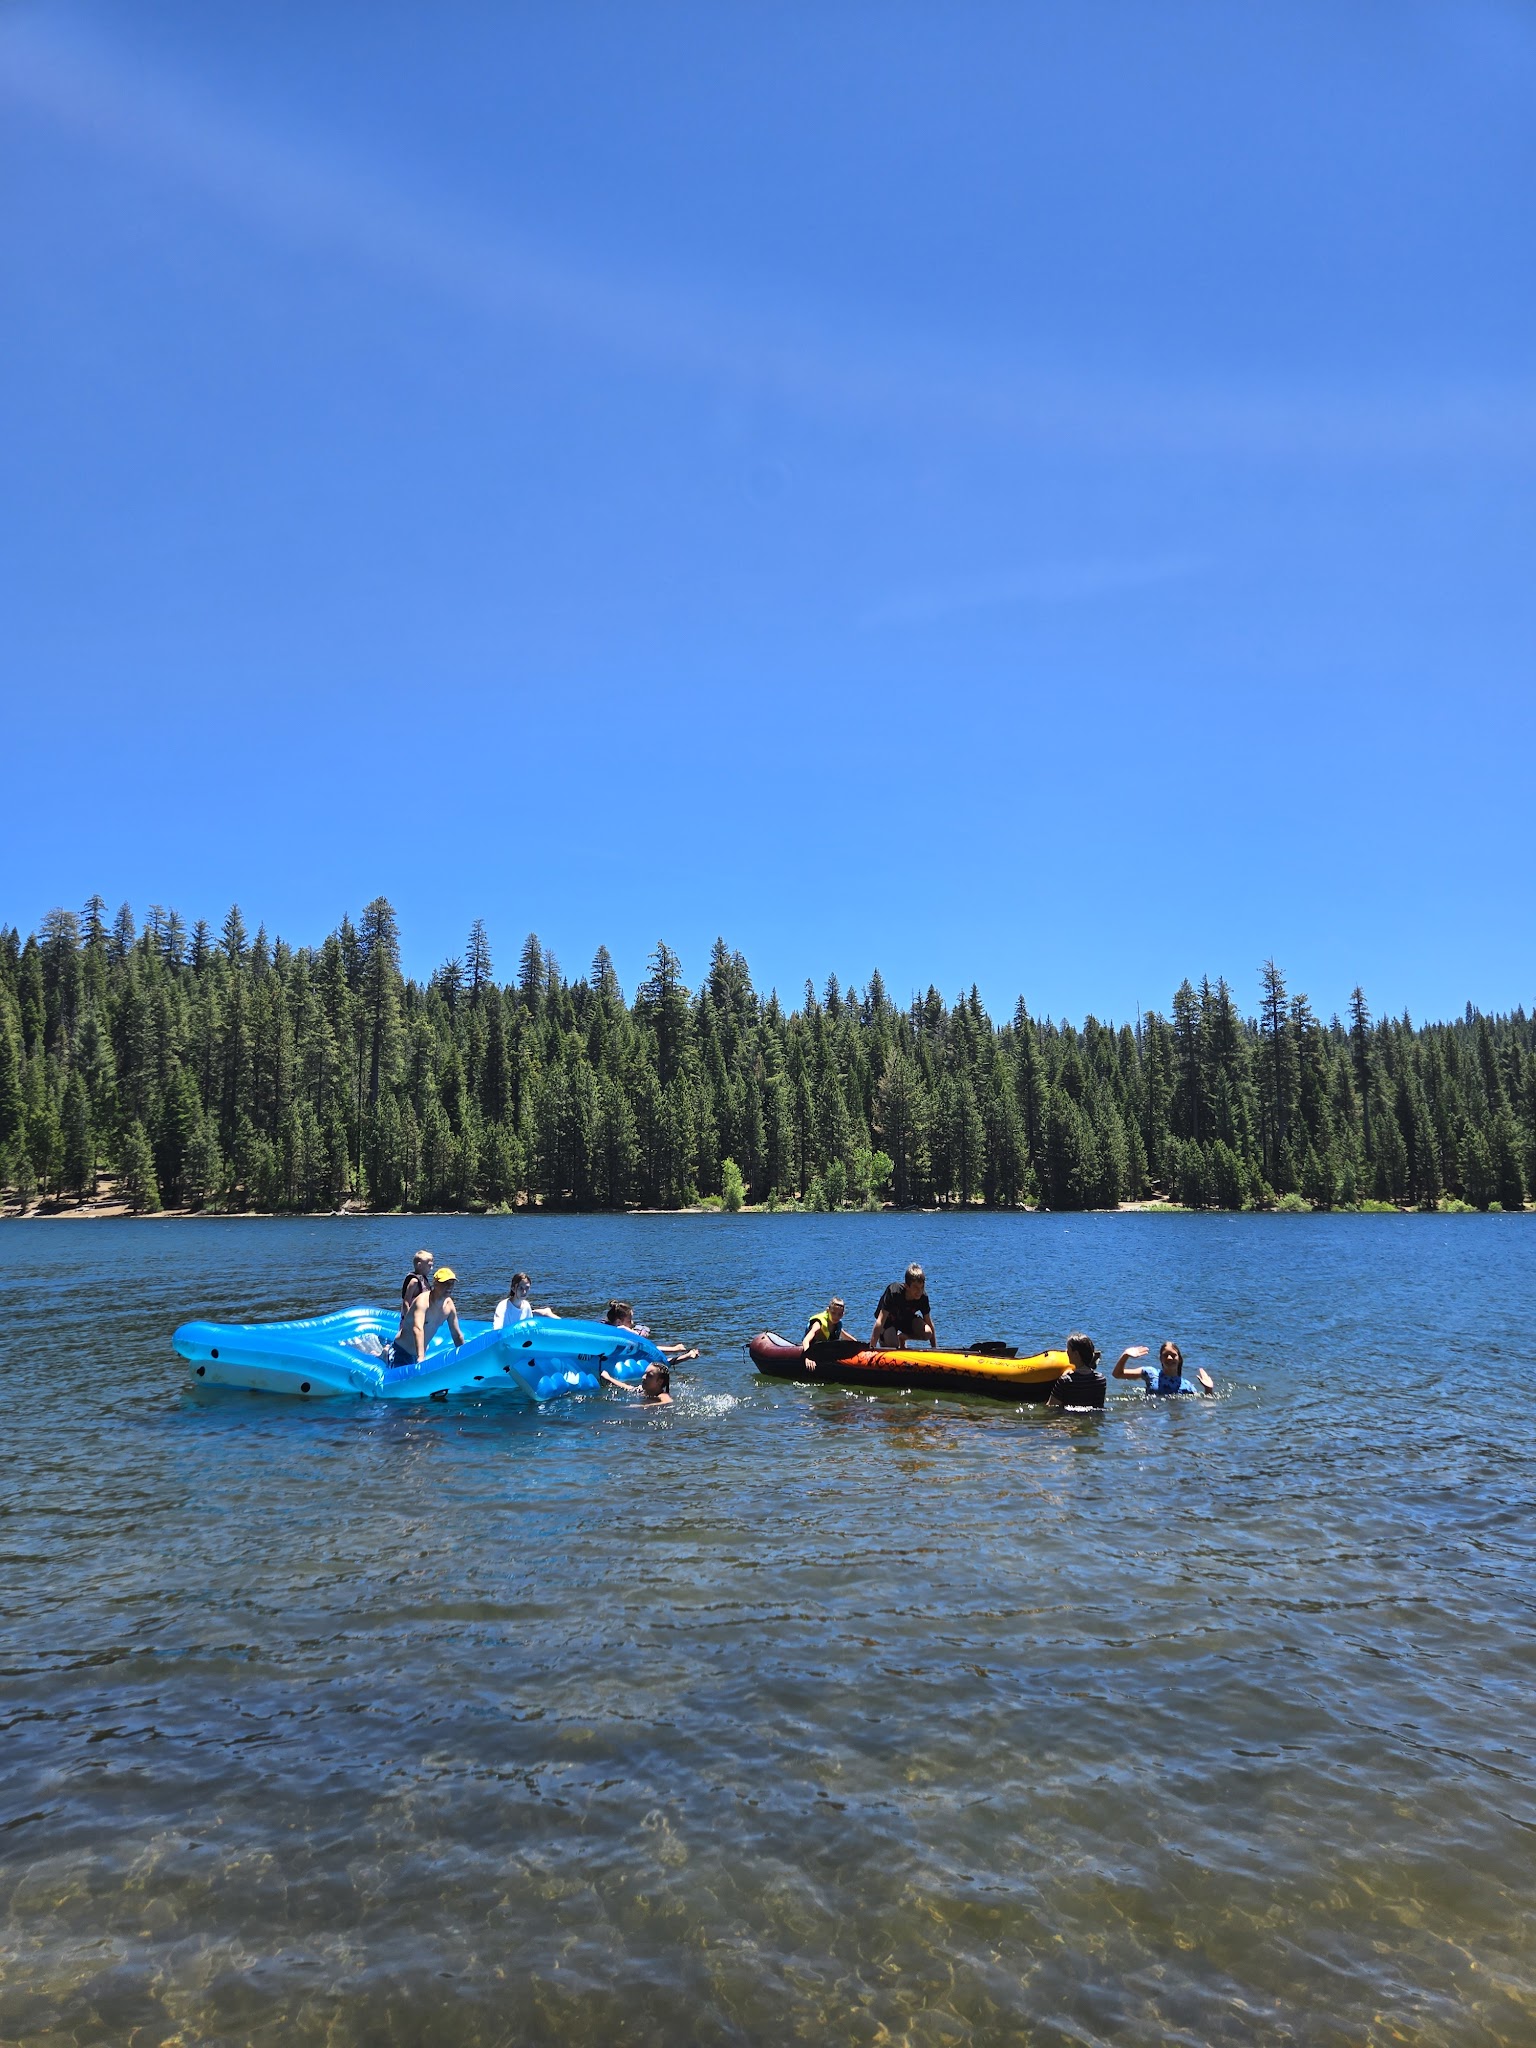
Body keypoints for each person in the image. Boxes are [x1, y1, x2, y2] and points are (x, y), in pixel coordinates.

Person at [392, 1266, 467, 1366]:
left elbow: (456, 1335)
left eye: (451, 1283)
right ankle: (386, 1354)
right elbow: (417, 1328)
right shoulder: (423, 1301)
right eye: (445, 1283)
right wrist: (421, 1358)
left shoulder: (449, 1305)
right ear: (435, 1283)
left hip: (420, 1352)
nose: (449, 1287)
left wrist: (465, 1355)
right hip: (402, 1351)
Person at [603, 1299, 700, 1364]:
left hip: (630, 1354)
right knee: (658, 1361)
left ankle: (683, 1353)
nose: (632, 1323)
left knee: (655, 1357)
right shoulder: (620, 1330)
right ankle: (684, 1354)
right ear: (619, 1322)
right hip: (620, 1357)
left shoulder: (616, 1331)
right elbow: (640, 1339)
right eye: (629, 1321)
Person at [1113, 1339, 1214, 1396]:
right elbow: (1117, 1374)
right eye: (1165, 1355)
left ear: (1180, 1359)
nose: (1169, 1358)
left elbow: (1204, 1406)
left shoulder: (1187, 1386)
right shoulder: (1150, 1373)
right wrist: (1125, 1355)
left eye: (1173, 1355)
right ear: (1160, 1359)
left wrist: (1208, 1389)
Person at [871, 1265, 937, 1351]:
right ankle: (884, 1337)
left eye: (922, 1287)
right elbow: (880, 1320)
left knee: (928, 1333)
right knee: (893, 1344)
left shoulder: (923, 1297)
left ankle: (903, 1337)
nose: (919, 1291)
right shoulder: (894, 1292)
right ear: (906, 1286)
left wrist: (934, 1349)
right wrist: (871, 1348)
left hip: (905, 1318)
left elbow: (928, 1321)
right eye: (916, 1287)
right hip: (888, 1321)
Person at [1048, 1331, 1111, 1406]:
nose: (1066, 1352)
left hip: (1071, 1417)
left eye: (1068, 1349)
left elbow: (1051, 1406)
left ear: (1076, 1354)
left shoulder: (1065, 1381)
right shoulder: (1101, 1379)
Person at [492, 1272, 559, 1329]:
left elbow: (529, 1328)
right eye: (520, 1288)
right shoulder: (503, 1306)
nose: (524, 1292)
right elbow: (497, 1330)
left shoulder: (526, 1306)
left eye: (527, 1288)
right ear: (513, 1288)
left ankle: (545, 1312)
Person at [600, 1360, 673, 1405]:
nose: (643, 1377)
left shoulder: (662, 1395)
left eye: (649, 1376)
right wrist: (608, 1378)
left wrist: (641, 1407)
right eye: (645, 1374)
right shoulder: (642, 1390)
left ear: (660, 1382)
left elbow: (668, 1402)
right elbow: (626, 1387)